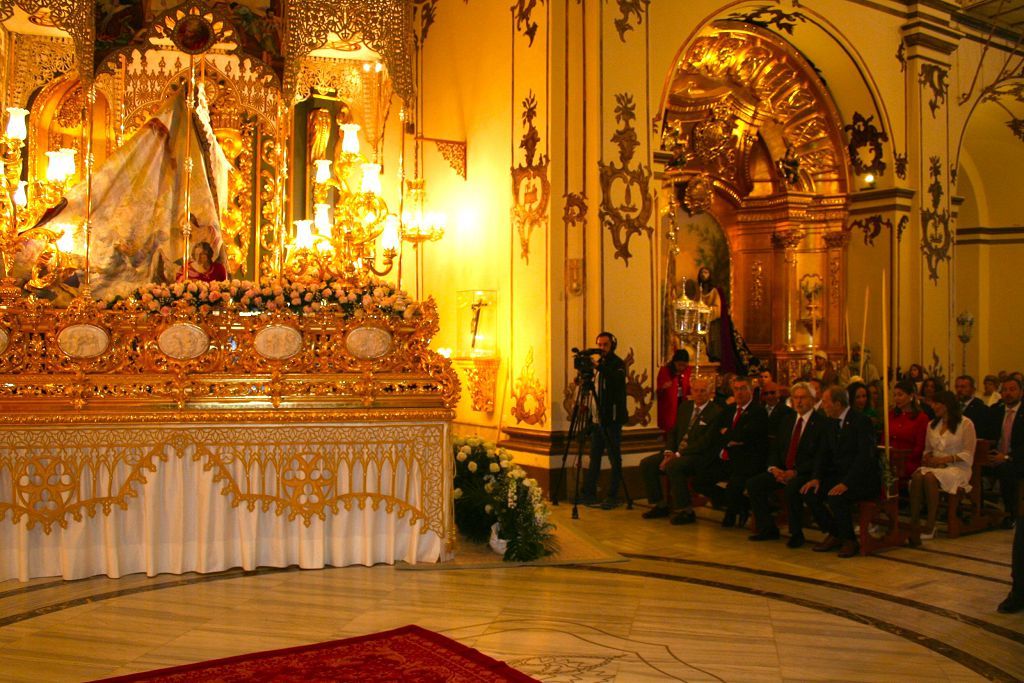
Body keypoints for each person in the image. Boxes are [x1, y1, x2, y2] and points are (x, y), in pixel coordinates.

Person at [801, 385, 881, 557]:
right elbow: (823, 454)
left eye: (825, 402)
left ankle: (849, 540)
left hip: (861, 479)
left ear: (838, 404)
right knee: (810, 492)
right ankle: (835, 532)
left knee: (836, 496)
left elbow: (865, 457)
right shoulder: (830, 423)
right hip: (839, 476)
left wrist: (846, 483)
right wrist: (816, 478)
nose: (822, 406)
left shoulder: (861, 421)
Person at [746, 382, 828, 547]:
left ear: (812, 400)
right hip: (783, 470)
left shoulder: (821, 423)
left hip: (805, 472)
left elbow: (820, 456)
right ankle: (768, 528)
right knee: (754, 484)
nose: (798, 402)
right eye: (795, 398)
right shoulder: (788, 420)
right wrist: (773, 468)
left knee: (792, 489)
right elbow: (776, 448)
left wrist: (796, 472)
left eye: (803, 398)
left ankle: (796, 533)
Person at [639, 377, 724, 525]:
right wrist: (668, 451)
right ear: (691, 391)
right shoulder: (685, 407)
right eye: (696, 390)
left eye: (703, 391)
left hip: (697, 455)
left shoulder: (716, 412)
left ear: (710, 393)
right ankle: (660, 504)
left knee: (674, 466)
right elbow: (674, 431)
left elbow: (705, 442)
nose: (699, 394)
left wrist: (677, 455)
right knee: (647, 463)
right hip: (675, 452)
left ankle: (687, 511)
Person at [909, 390, 977, 544]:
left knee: (930, 477)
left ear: (946, 405)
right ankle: (915, 522)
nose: (933, 406)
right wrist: (928, 458)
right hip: (937, 466)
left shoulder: (965, 424)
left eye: (936, 403)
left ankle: (930, 525)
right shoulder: (932, 425)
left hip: (957, 468)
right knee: (918, 476)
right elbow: (927, 449)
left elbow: (968, 453)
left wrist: (946, 459)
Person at [581, 332, 629, 509]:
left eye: (605, 345)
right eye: (599, 345)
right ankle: (589, 493)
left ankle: (613, 494)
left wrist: (598, 367)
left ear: (612, 345)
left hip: (612, 420)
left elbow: (615, 380)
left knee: (614, 458)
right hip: (596, 420)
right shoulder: (599, 365)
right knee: (594, 457)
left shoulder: (617, 364)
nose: (601, 349)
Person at [717, 376, 769, 528]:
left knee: (735, 483)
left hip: (748, 460)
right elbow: (718, 432)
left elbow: (746, 436)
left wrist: (729, 434)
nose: (739, 393)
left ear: (750, 391)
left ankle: (733, 512)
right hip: (727, 456)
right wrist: (732, 436)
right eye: (736, 389)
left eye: (742, 389)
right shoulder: (728, 410)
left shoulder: (758, 411)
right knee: (702, 477)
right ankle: (741, 506)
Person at [987, 377, 1023, 529]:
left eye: (1012, 389)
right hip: (996, 456)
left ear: (1021, 392)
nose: (1008, 393)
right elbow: (988, 434)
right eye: (1005, 390)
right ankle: (980, 511)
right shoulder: (996, 411)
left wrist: (1007, 457)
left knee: (1006, 470)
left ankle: (1011, 514)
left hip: (1017, 459)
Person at [889, 379, 930, 483]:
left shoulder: (921, 418)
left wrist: (903, 460)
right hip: (891, 460)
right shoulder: (891, 415)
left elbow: (920, 446)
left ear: (911, 396)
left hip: (909, 461)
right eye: (894, 395)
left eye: (900, 395)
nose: (896, 398)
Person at [656, 349, 692, 439]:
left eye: (684, 365)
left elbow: (687, 387)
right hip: (669, 406)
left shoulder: (687, 371)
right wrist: (663, 387)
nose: (682, 368)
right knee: (669, 427)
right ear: (674, 362)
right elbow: (658, 390)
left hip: (681, 403)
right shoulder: (665, 371)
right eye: (679, 365)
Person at [955, 375, 991, 439]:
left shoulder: (981, 409)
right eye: (957, 387)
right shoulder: (952, 406)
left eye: (963, 387)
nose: (959, 390)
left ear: (973, 389)